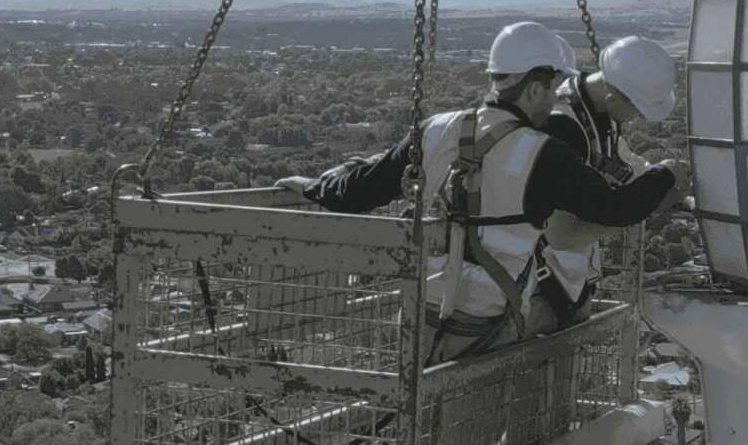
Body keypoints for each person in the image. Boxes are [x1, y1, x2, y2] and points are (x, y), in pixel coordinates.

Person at [279, 21, 677, 363]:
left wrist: (315, 188)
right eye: (553, 89)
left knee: (427, 423)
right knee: (478, 433)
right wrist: (666, 175)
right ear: (535, 89)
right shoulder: (544, 153)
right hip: (492, 314)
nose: (556, 99)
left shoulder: (438, 128)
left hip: (427, 308)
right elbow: (617, 208)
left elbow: (367, 186)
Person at [541, 35, 679, 318]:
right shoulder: (563, 128)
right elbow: (562, 236)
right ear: (612, 95)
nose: (637, 118)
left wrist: (668, 185)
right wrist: (636, 212)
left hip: (563, 282)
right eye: (637, 110)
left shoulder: (595, 111)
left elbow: (625, 166)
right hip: (543, 288)